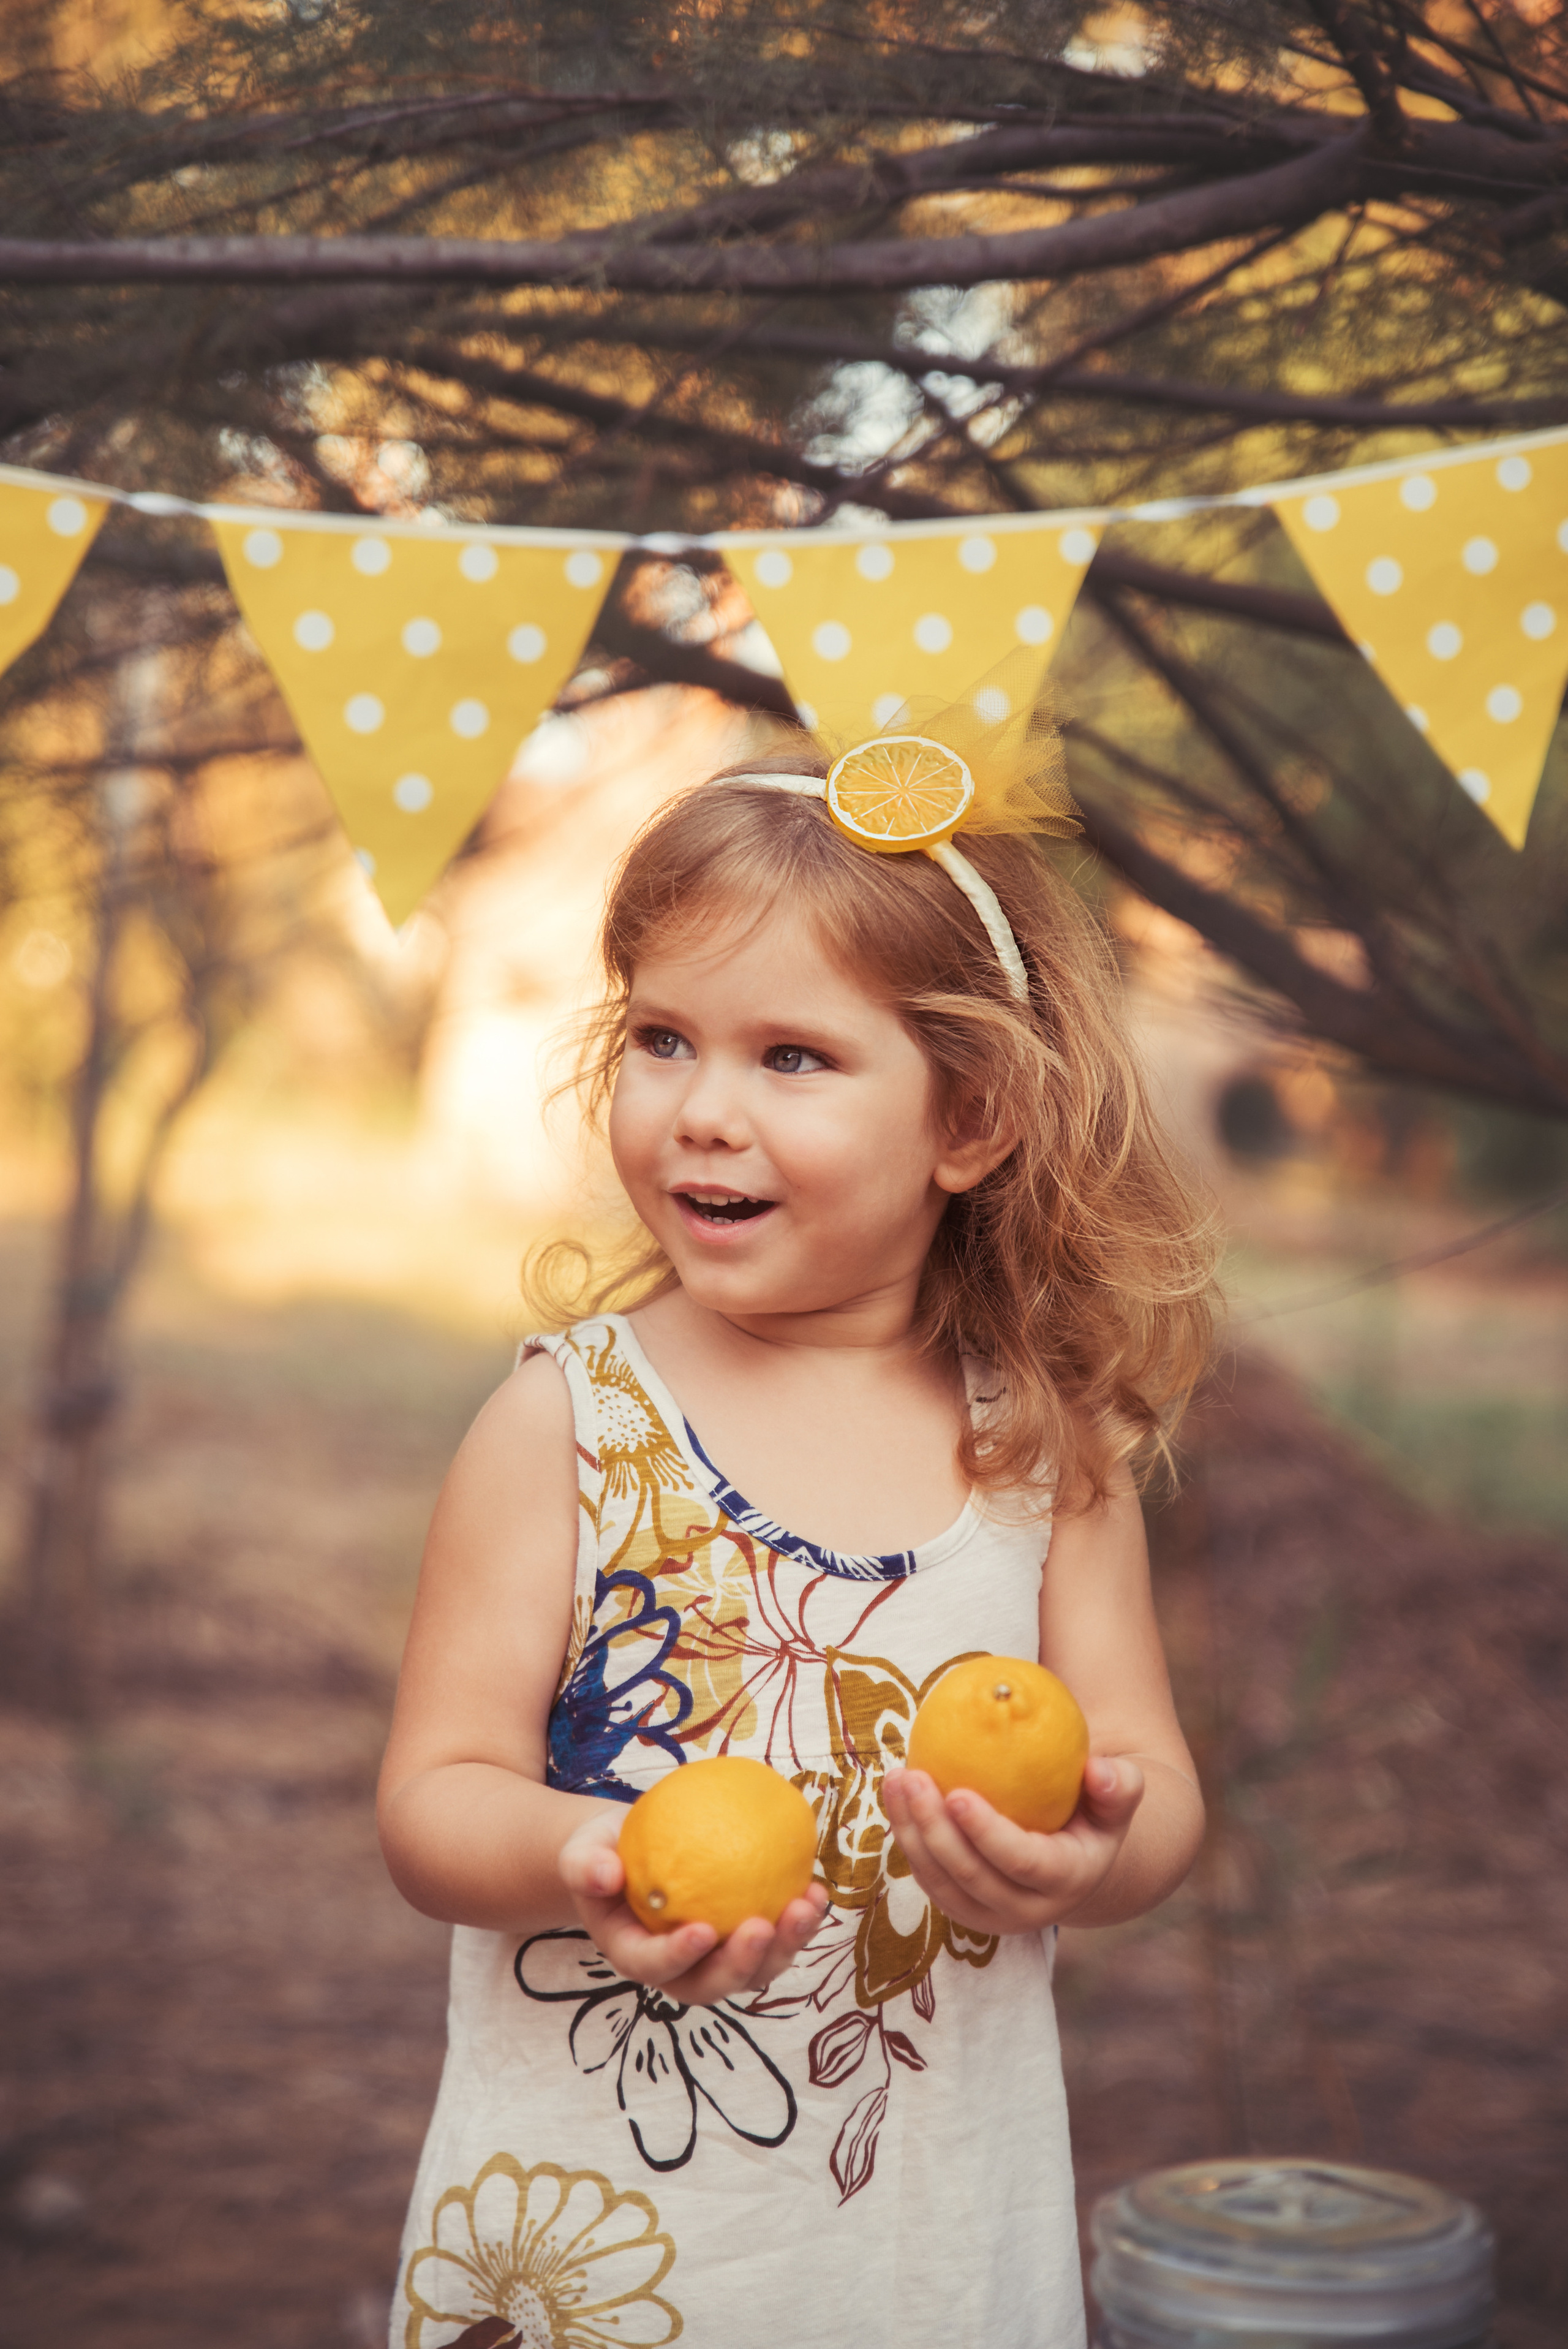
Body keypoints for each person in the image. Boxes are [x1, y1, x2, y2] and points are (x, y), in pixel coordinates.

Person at [377, 699, 1217, 2349]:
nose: (700, 1108)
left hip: (923, 2243)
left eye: (794, 1057)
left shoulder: (1045, 1450)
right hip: (610, 2238)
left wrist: (1089, 1852)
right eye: (664, 1037)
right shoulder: (568, 1425)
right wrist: (580, 1848)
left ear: (969, 1118)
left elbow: (1155, 1782)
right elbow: (430, 1798)